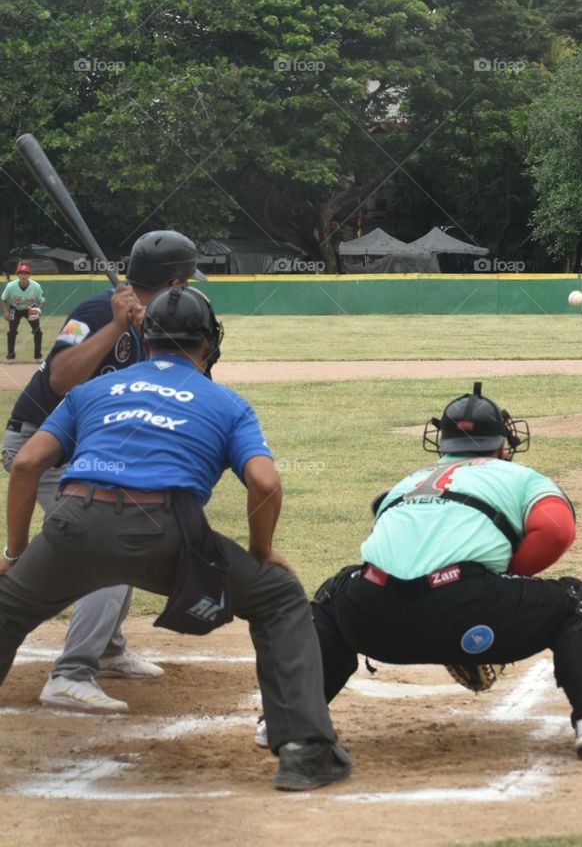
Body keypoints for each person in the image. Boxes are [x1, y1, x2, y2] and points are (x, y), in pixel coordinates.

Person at [0, 285, 351, 792]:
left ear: (144, 336)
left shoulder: (91, 391)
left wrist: (16, 552)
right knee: (278, 599)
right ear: (208, 345)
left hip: (72, 525)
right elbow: (266, 482)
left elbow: (29, 462)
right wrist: (261, 552)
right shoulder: (226, 402)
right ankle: (305, 751)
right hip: (166, 534)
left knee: (7, 609)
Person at [256, 383, 582, 762]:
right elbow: (556, 529)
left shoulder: (408, 482)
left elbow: (386, 543)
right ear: (503, 443)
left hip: (373, 618)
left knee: (333, 596)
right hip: (467, 611)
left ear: (441, 443)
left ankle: (287, 718)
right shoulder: (517, 475)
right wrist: (503, 579)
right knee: (576, 603)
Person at [1, 230, 204, 712]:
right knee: (108, 545)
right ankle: (70, 674)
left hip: (88, 453)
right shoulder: (95, 312)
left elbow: (192, 383)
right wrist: (114, 328)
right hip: (40, 444)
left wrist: (153, 334)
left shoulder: (163, 323)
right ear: (175, 280)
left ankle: (108, 648)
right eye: (189, 280)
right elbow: (59, 379)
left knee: (131, 522)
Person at [3, 262, 45, 362]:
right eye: (21, 273)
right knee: (12, 332)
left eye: (25, 273)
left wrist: (37, 310)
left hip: (30, 309)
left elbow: (41, 301)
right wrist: (6, 311)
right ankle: (10, 357)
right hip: (15, 309)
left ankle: (38, 356)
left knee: (38, 332)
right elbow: (3, 299)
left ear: (29, 275)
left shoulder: (36, 286)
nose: (23, 276)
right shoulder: (10, 286)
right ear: (17, 275)